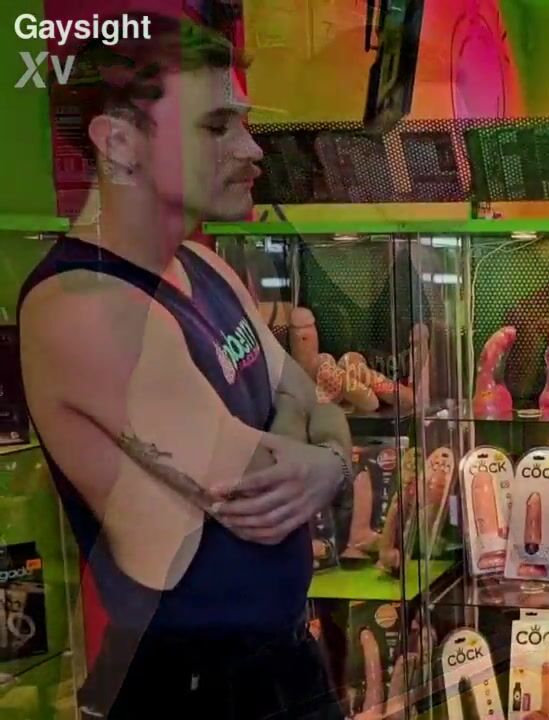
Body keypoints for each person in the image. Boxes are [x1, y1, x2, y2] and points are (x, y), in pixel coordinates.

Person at [19, 15, 350, 719]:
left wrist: (322, 455)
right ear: (119, 144)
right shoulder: (85, 306)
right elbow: (258, 490)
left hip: (282, 660)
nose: (252, 149)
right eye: (216, 126)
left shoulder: (203, 265)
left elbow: (308, 388)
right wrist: (323, 452)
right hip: (192, 684)